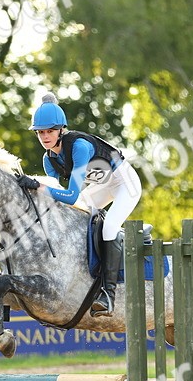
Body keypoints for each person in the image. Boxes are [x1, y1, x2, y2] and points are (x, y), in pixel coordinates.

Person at [17, 93, 143, 316]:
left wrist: (37, 185)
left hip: (125, 183)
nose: (45, 136)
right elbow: (58, 200)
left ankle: (108, 294)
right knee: (76, 216)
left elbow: (71, 195)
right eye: (40, 132)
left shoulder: (79, 146)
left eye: (50, 131)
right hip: (103, 185)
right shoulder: (50, 159)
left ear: (61, 130)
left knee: (110, 226)